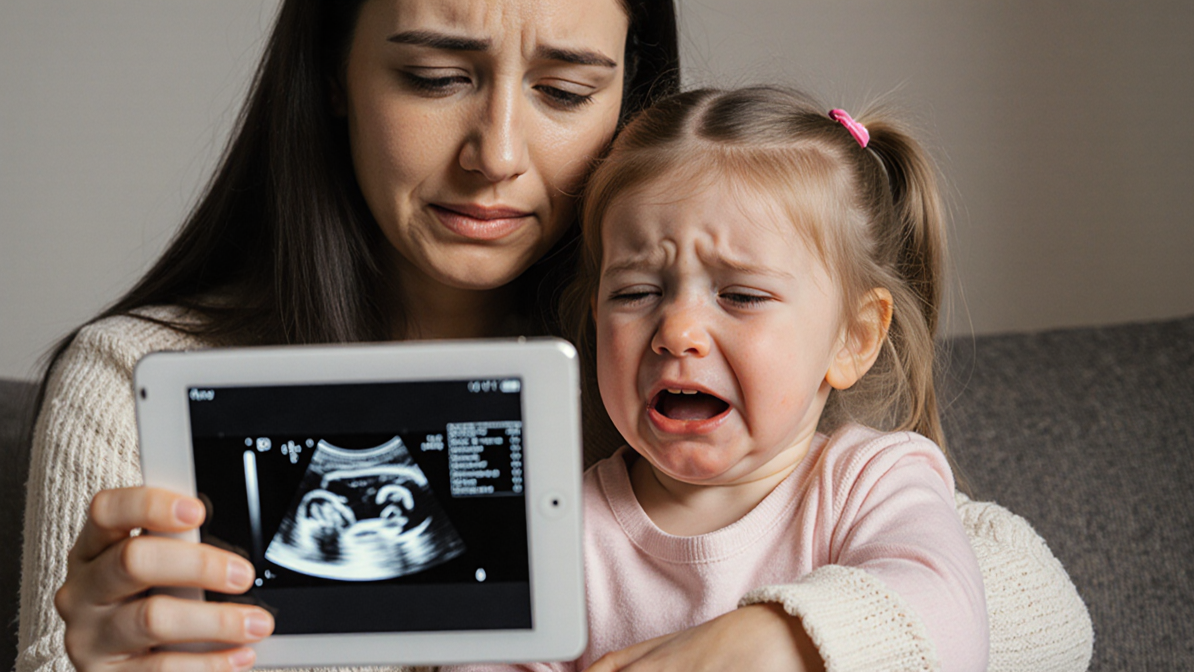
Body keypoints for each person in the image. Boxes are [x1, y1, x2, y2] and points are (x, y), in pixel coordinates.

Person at [16, 3, 1090, 672]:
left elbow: (1023, 600)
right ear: (331, 81)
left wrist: (778, 642)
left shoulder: (714, 426)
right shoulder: (139, 381)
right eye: (435, 77)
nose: (496, 151)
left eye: (567, 89)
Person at [450, 85, 994, 672]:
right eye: (636, 292)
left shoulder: (868, 484)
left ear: (854, 338)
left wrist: (770, 640)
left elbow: (950, 619)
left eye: (740, 295)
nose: (677, 331)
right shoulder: (560, 532)